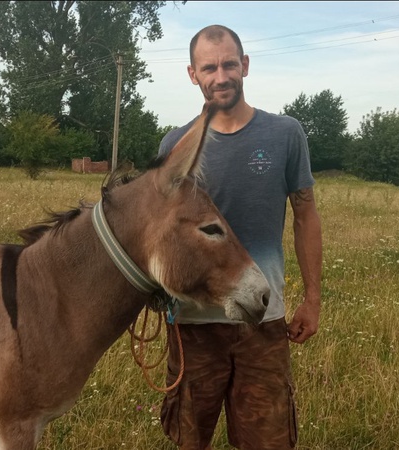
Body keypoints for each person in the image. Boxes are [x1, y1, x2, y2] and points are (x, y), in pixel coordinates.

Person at [158, 25, 323, 450]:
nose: (221, 76)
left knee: (268, 441)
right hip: (193, 327)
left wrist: (312, 299)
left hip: (262, 322)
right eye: (208, 68)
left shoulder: (284, 134)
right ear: (192, 74)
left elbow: (305, 214)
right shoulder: (175, 146)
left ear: (245, 65)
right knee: (189, 440)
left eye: (229, 64)